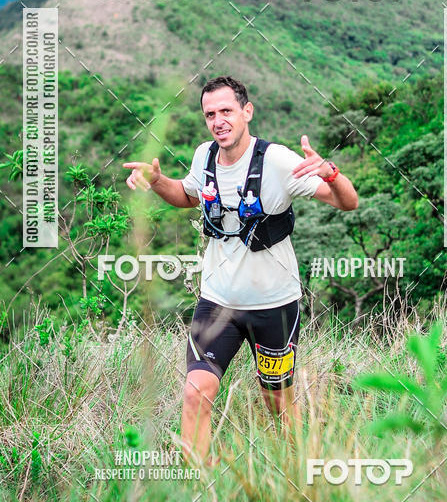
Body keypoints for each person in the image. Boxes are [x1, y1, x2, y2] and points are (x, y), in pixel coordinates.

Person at [123, 75, 358, 464]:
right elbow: (187, 196)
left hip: (274, 307)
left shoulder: (277, 161)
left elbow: (346, 202)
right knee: (195, 393)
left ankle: (301, 473)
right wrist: (159, 180)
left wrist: (331, 173)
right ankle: (195, 482)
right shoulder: (205, 156)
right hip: (218, 303)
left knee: (278, 403)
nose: (218, 121)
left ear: (247, 112)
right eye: (210, 114)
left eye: (226, 111)